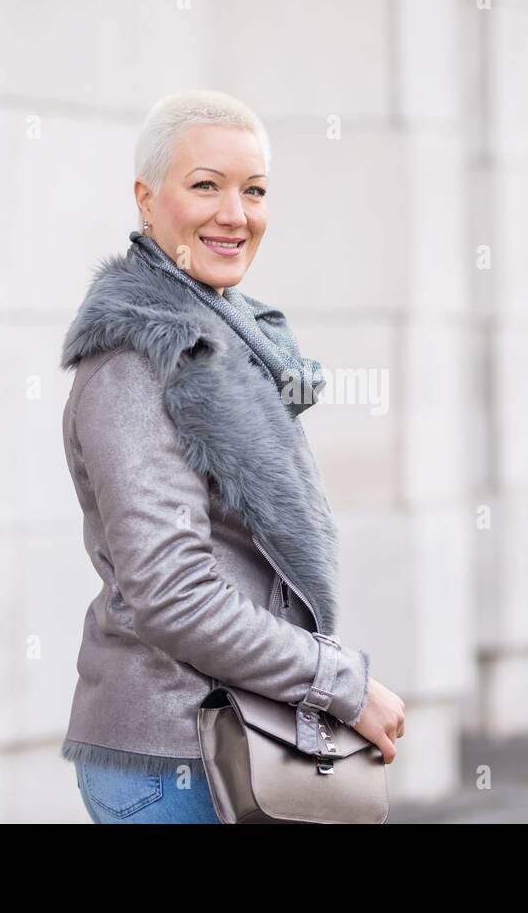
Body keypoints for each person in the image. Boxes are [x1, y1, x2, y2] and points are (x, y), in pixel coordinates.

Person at [57, 89, 406, 823]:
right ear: (147, 201)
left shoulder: (235, 342)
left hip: (231, 741)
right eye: (206, 185)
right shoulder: (137, 358)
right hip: (176, 763)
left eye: (254, 191)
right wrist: (341, 683)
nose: (234, 214)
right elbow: (174, 593)